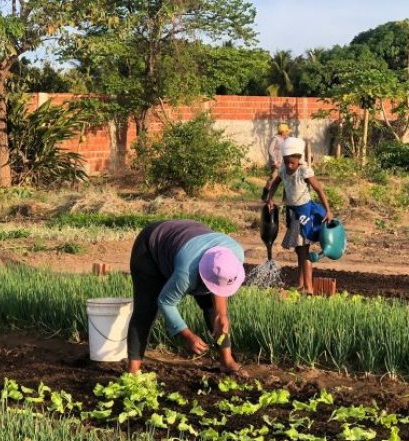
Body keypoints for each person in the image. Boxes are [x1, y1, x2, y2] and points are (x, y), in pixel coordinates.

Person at [127, 219, 247, 376]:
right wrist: (187, 335)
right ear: (204, 275)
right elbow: (165, 302)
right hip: (150, 248)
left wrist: (221, 314)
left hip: (187, 239)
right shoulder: (186, 274)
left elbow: (221, 284)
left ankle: (227, 361)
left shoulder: (235, 255)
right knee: (146, 310)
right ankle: (133, 372)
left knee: (213, 309)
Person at [261, 137, 333, 295]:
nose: (288, 165)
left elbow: (319, 189)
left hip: (304, 212)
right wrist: (270, 199)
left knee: (304, 250)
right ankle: (300, 283)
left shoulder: (303, 171)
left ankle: (309, 287)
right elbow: (275, 184)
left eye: (291, 162)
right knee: (298, 250)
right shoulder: (283, 171)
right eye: (286, 162)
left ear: (298, 160)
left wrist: (328, 210)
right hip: (292, 212)